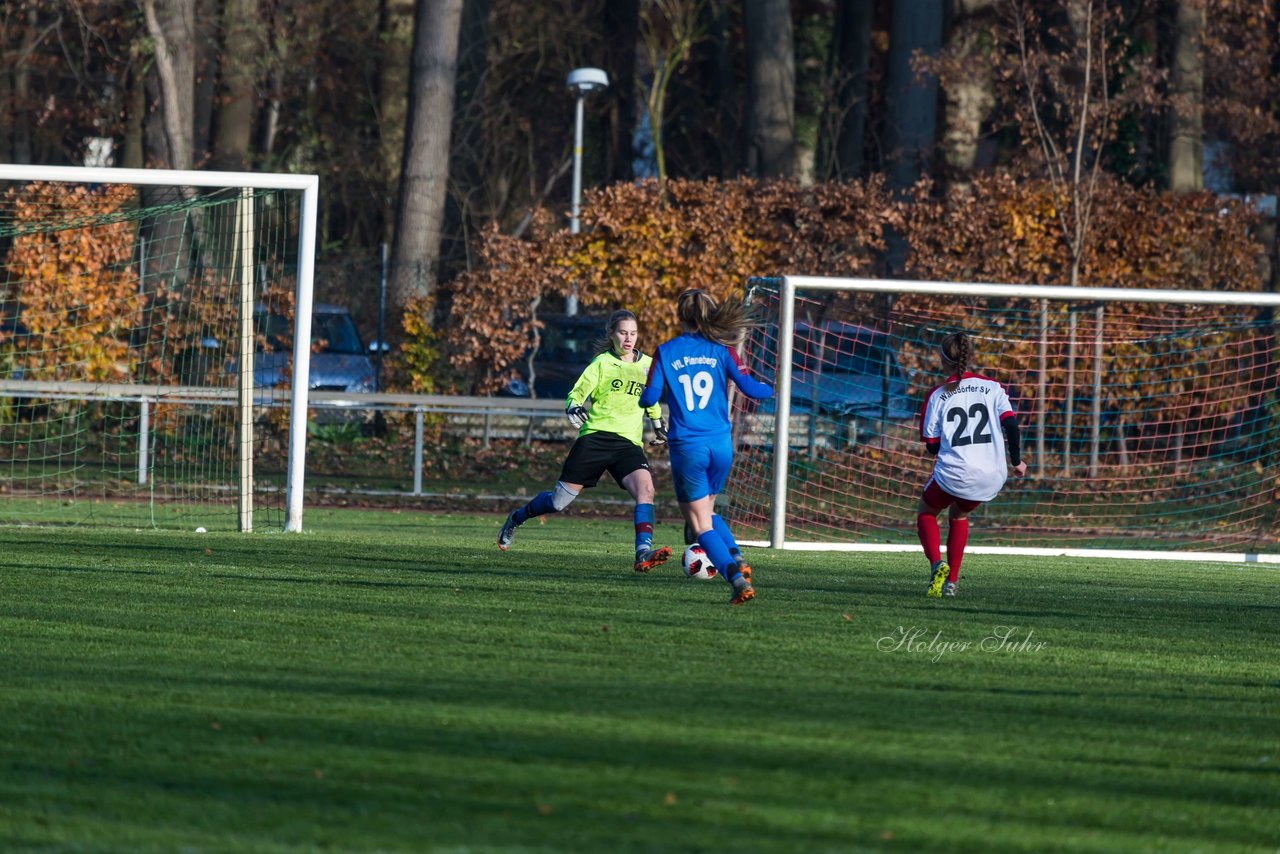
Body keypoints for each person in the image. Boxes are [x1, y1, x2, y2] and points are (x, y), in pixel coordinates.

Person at [498, 309, 673, 573]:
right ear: (612, 334)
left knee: (646, 490)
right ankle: (517, 517)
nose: (629, 338)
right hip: (596, 438)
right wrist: (573, 406)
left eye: (633, 333)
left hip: (628, 443)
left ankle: (642, 552)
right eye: (623, 332)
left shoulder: (648, 365)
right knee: (558, 503)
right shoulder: (601, 363)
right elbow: (577, 393)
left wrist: (659, 425)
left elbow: (652, 399)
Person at [640, 289, 774, 605]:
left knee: (699, 524)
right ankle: (738, 558)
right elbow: (752, 389)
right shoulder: (722, 350)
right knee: (709, 512)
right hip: (721, 446)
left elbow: (648, 399)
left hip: (689, 447)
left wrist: (646, 394)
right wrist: (775, 388)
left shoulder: (666, 351)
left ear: (679, 316)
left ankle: (737, 580)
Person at [916, 331, 1028, 598]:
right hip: (992, 475)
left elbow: (931, 446)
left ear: (943, 360)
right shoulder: (993, 387)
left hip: (954, 474)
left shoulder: (938, 394)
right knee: (959, 515)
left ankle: (936, 564)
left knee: (926, 513)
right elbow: (1011, 425)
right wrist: (1017, 461)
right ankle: (951, 583)